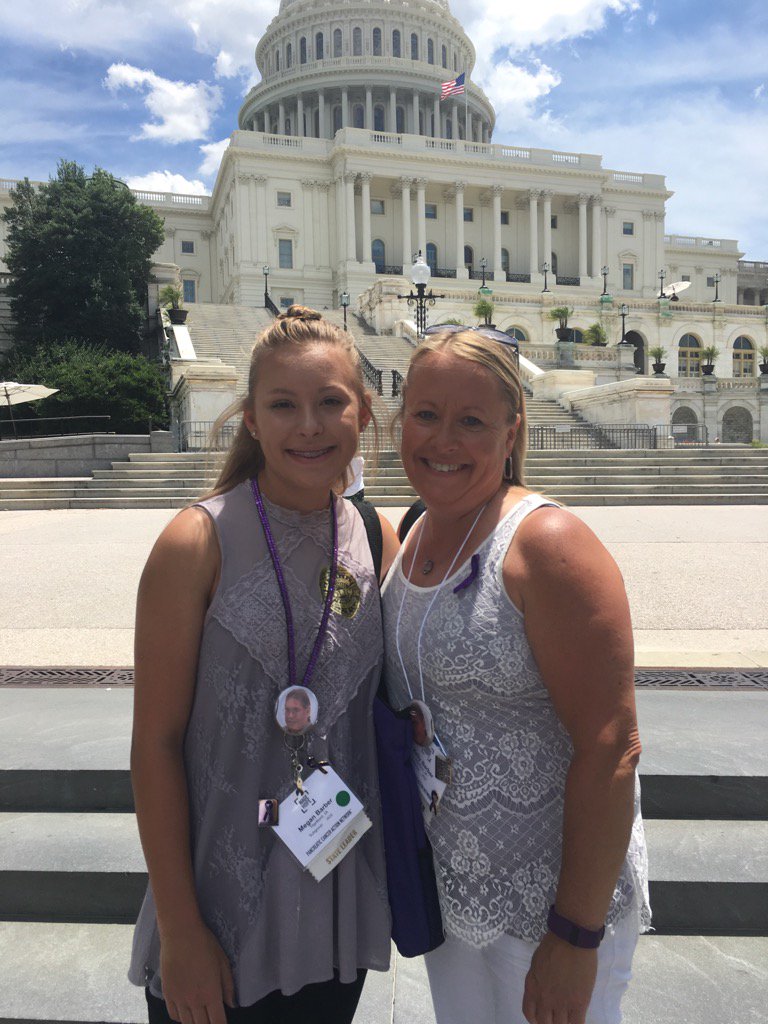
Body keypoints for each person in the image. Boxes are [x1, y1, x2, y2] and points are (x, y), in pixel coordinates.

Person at [128, 306, 399, 1024]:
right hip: (217, 908)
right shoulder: (195, 542)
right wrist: (181, 932)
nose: (308, 426)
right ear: (251, 419)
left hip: (334, 898)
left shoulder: (377, 537)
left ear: (363, 412)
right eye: (283, 405)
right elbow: (154, 746)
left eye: (330, 402)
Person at [381, 329, 650, 1024]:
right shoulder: (412, 535)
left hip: (550, 900)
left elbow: (611, 746)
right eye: (426, 414)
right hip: (455, 890)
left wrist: (575, 934)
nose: (443, 440)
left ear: (512, 432)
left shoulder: (546, 544)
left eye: (471, 421)